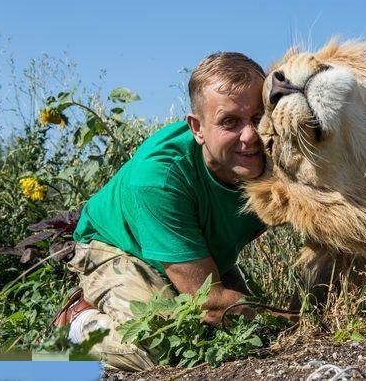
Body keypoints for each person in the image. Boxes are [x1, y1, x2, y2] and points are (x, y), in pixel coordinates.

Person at [55, 52, 286, 372]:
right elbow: (208, 303)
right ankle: (81, 325)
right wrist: (291, 319)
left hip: (198, 253)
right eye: (230, 122)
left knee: (247, 332)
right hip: (118, 247)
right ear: (198, 128)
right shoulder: (159, 179)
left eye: (258, 118)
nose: (250, 136)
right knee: (164, 346)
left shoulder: (279, 156)